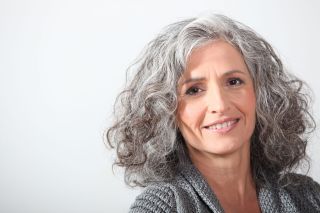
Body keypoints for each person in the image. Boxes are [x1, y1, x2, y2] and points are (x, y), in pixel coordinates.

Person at [106, 14, 320, 212]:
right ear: (166, 111)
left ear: (260, 94)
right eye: (194, 90)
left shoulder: (307, 195)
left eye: (234, 82)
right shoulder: (160, 207)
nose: (220, 104)